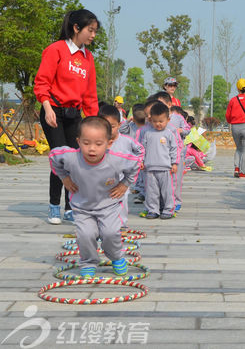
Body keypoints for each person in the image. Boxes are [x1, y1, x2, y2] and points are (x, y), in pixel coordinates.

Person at [49, 116, 142, 278]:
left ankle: (116, 256)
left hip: (109, 205)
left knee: (111, 233)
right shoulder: (71, 158)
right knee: (85, 235)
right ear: (78, 141)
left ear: (109, 143)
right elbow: (53, 156)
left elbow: (136, 164)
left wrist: (124, 184)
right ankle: (88, 261)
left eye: (98, 144)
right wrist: (64, 178)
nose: (92, 149)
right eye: (86, 143)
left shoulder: (117, 159)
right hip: (82, 207)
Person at [34, 9, 100, 225]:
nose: (93, 35)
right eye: (90, 30)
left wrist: (94, 122)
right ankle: (54, 206)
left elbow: (90, 94)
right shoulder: (56, 50)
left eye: (95, 31)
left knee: (76, 160)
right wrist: (47, 107)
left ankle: (71, 206)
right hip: (53, 111)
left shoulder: (88, 57)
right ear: (76, 28)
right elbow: (42, 82)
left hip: (74, 114)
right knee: (60, 158)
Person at [98, 105, 144, 230]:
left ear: (119, 125)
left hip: (121, 179)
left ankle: (122, 224)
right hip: (101, 179)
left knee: (121, 201)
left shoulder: (127, 141)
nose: (108, 130)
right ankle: (101, 224)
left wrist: (138, 161)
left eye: (112, 126)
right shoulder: (97, 141)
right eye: (104, 126)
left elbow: (140, 150)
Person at [142, 102, 179, 219]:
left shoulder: (169, 134)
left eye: (161, 121)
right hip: (150, 168)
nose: (158, 124)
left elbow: (174, 149)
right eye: (155, 121)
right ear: (150, 120)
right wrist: (141, 161)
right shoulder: (147, 134)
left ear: (168, 120)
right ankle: (153, 210)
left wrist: (174, 163)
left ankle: (168, 209)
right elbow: (142, 149)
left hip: (165, 168)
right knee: (151, 192)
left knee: (167, 191)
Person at [169, 105, 191, 212]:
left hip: (178, 153)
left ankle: (176, 201)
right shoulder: (155, 118)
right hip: (162, 154)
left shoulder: (178, 118)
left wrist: (180, 130)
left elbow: (187, 130)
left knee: (176, 179)